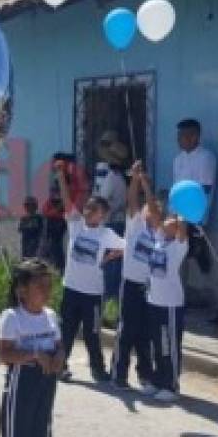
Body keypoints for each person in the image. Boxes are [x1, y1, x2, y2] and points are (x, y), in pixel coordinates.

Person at [0, 259, 65, 437]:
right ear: (22, 290)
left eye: (49, 285)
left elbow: (59, 344)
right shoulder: (13, 317)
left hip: (46, 384)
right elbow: (4, 354)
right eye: (39, 285)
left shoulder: (50, 316)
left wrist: (60, 355)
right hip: (22, 383)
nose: (46, 290)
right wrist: (33, 355)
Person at [56, 163, 124, 382]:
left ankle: (98, 369)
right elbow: (67, 201)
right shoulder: (76, 225)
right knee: (66, 331)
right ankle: (59, 366)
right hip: (71, 289)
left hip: (93, 293)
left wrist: (110, 256)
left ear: (103, 215)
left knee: (92, 333)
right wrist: (60, 176)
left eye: (94, 209)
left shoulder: (106, 234)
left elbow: (127, 247)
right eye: (87, 207)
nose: (88, 211)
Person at [113, 163, 156, 392]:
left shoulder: (159, 233)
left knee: (145, 333)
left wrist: (148, 187)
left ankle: (145, 375)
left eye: (154, 208)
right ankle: (119, 374)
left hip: (150, 288)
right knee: (127, 330)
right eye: (148, 207)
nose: (150, 210)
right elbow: (131, 201)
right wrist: (137, 180)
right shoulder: (135, 225)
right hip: (131, 283)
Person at [145, 198, 189, 402]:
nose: (166, 223)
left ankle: (171, 385)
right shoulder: (159, 239)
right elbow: (153, 214)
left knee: (169, 344)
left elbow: (182, 229)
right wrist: (145, 183)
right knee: (155, 342)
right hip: (154, 300)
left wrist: (182, 215)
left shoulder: (178, 246)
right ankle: (157, 379)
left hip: (170, 304)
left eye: (172, 221)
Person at [93, 133, 129, 301]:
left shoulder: (111, 179)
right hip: (119, 221)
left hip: (112, 223)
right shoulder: (121, 179)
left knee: (110, 263)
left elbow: (102, 201)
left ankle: (109, 296)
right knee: (115, 261)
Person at [172, 119, 217, 200]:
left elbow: (206, 188)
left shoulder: (205, 157)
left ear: (194, 137)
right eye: (178, 135)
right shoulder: (178, 159)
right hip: (177, 207)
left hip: (196, 208)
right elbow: (177, 185)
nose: (178, 139)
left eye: (182, 135)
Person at [18, 196, 44, 260]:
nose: (30, 207)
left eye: (32, 205)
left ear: (35, 206)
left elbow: (41, 230)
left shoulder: (39, 218)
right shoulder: (23, 218)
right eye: (28, 205)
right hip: (26, 244)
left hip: (36, 244)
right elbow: (20, 229)